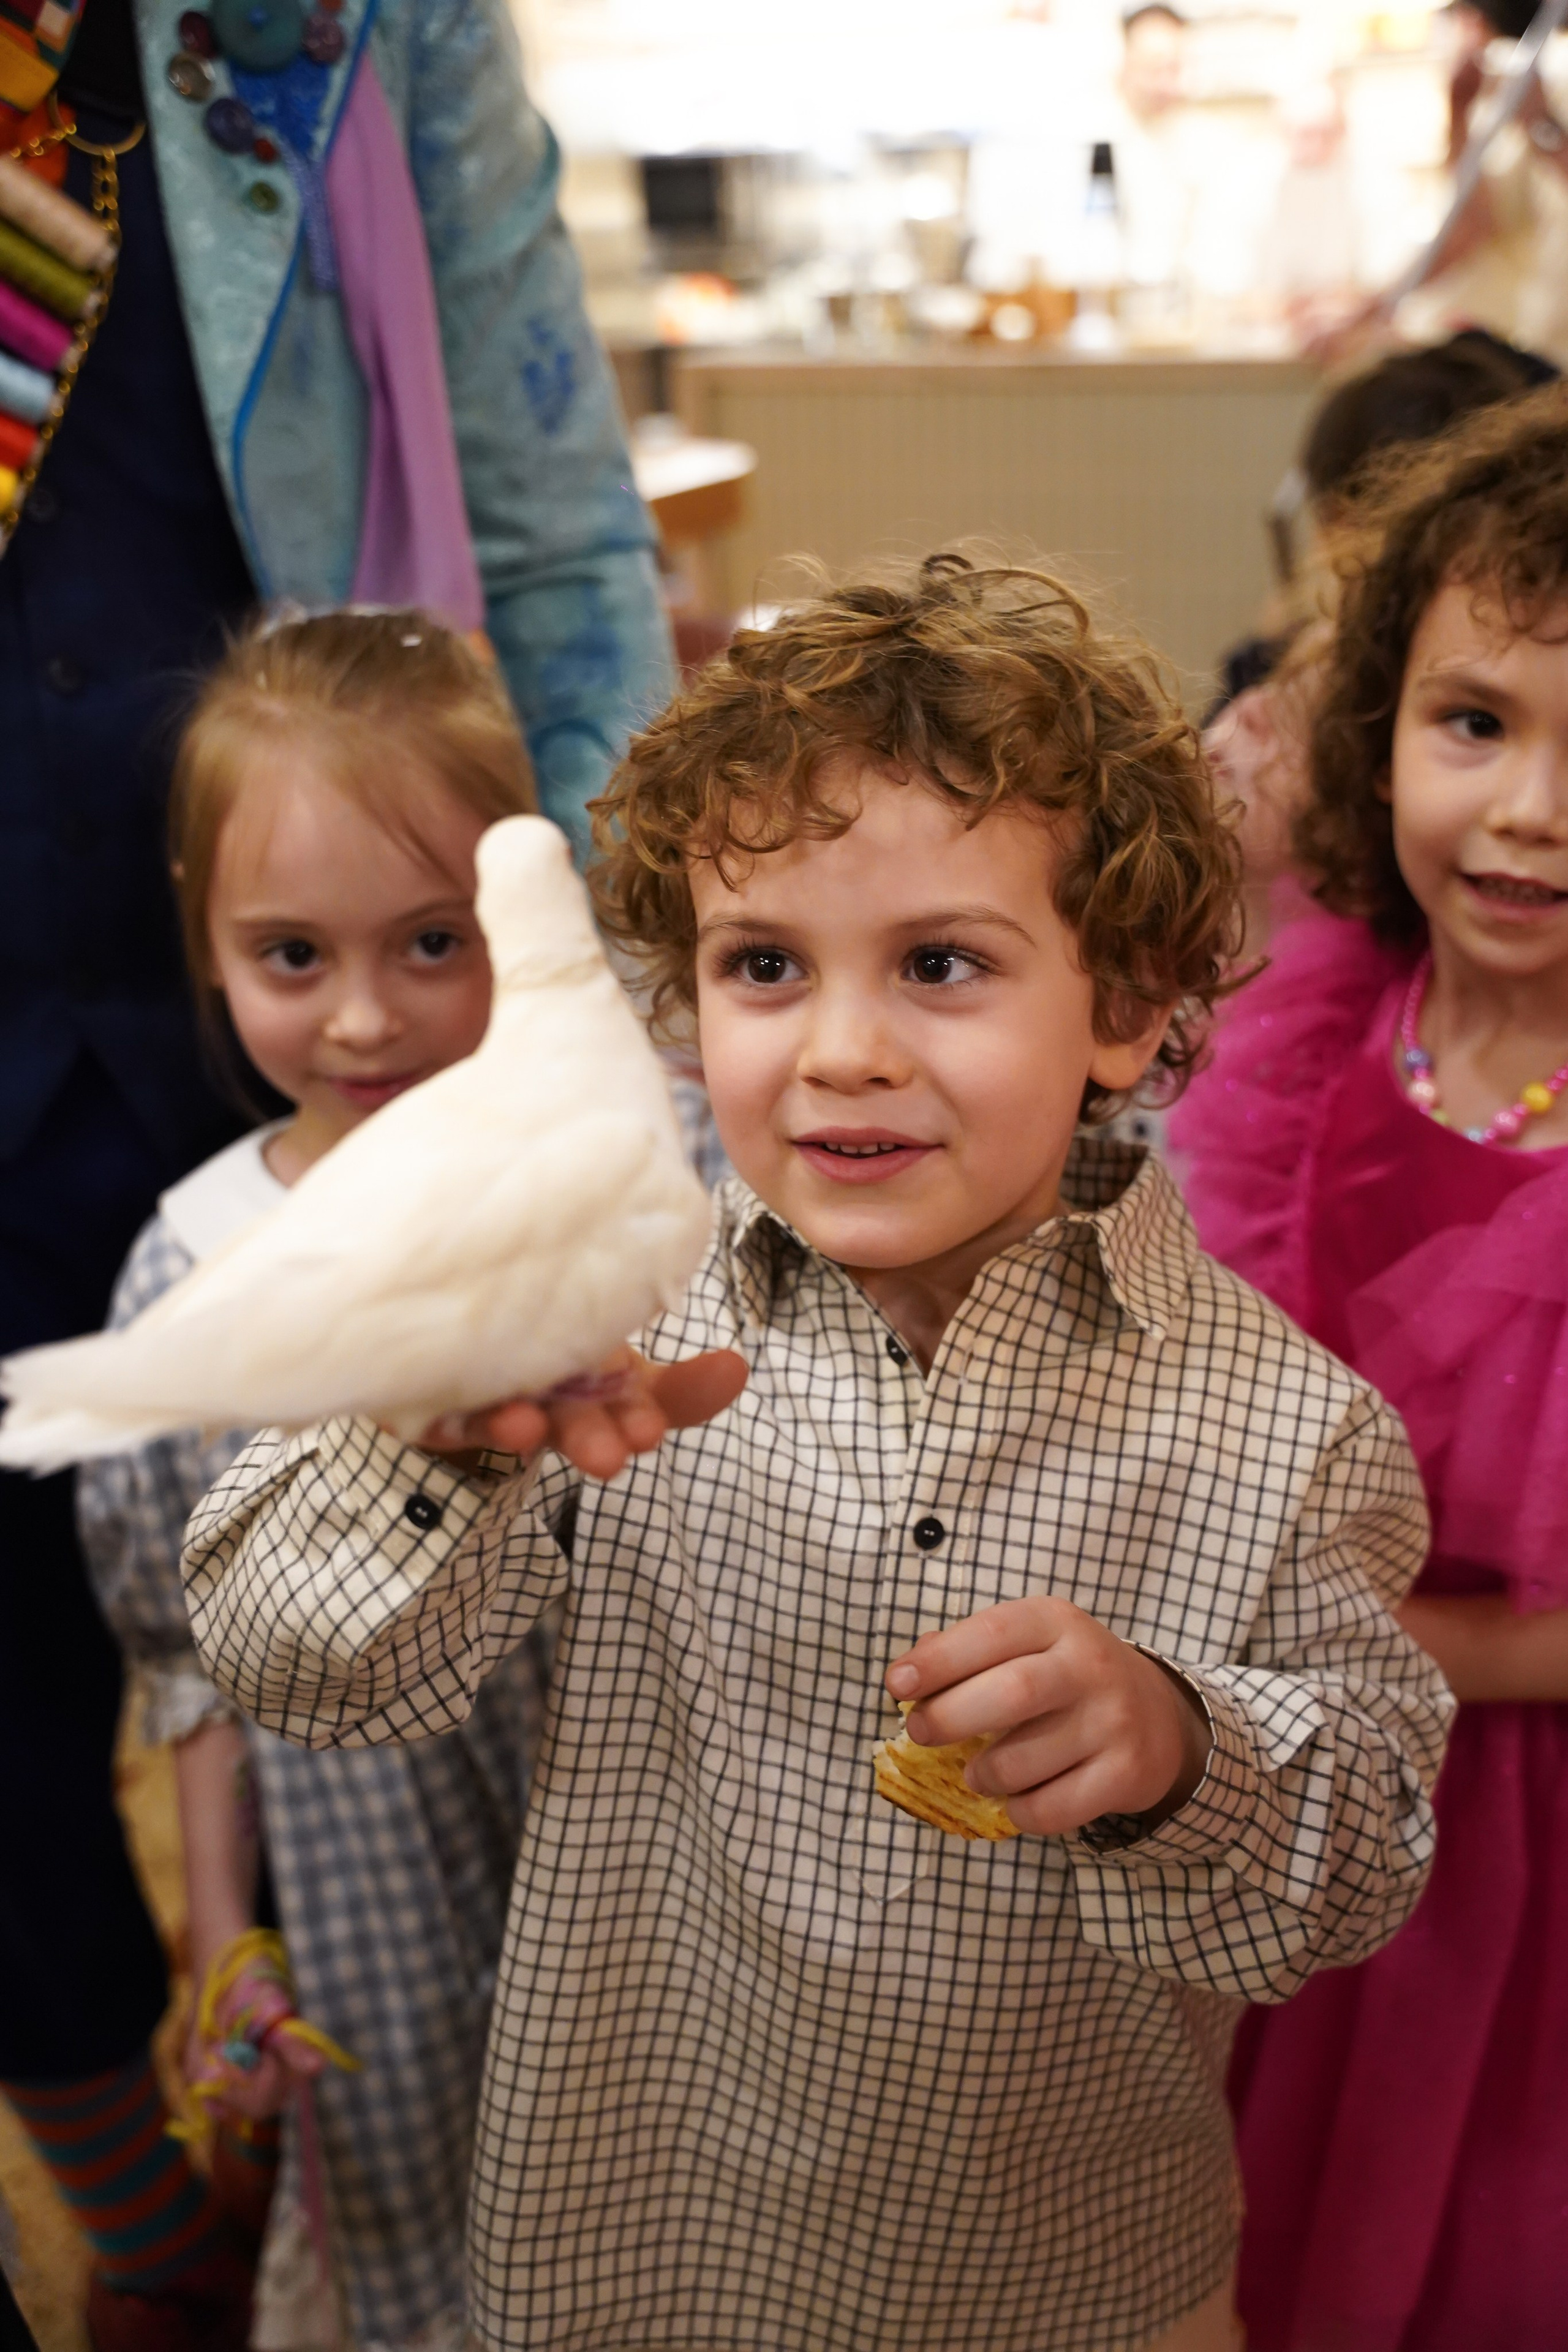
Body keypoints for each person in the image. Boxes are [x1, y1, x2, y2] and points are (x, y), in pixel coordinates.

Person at [179, 556, 1452, 2352]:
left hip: (1072, 2281)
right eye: (764, 966)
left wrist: (1181, 1748)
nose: (842, 1051)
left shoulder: (1286, 1430)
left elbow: (1365, 1866)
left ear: (1128, 1003)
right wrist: (433, 1447)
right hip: (647, 2244)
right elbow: (293, 1667)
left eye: (941, 964)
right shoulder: (597, 1313)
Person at [0, 3, 669, 2342]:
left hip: (286, 937)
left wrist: (608, 990)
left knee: (442, 1585)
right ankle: (161, 2187)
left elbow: (561, 518)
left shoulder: (351, 27)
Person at [75, 608, 551, 2352]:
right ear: (208, 935)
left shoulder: (609, 1216)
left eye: (434, 941)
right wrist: (223, 1945)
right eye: (292, 955)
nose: (366, 1017)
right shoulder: (188, 1278)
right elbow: (188, 1658)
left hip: (639, 1883)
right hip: (375, 1921)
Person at [1170, 385, 1568, 2351]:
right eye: (1473, 722)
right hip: (1329, 1815)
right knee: (1312, 2235)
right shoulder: (1308, 1052)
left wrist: (1407, 1653)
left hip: (1537, 1828)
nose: (1528, 811)